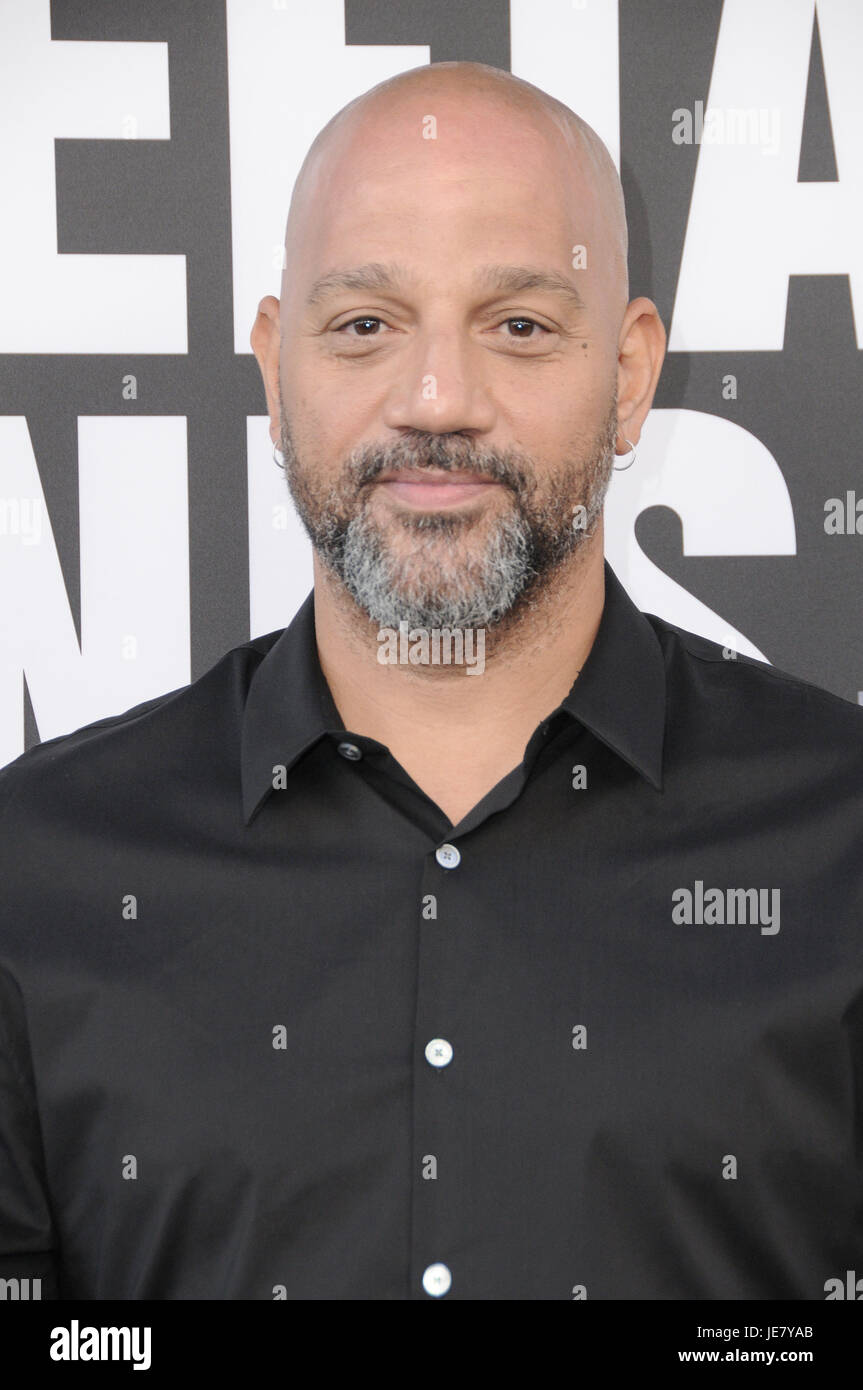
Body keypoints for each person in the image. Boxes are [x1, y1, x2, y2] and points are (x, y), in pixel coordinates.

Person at [1, 60, 861, 1302]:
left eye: (516, 324)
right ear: (270, 368)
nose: (435, 399)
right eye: (363, 325)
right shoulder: (42, 865)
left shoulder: (839, 838)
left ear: (626, 376)